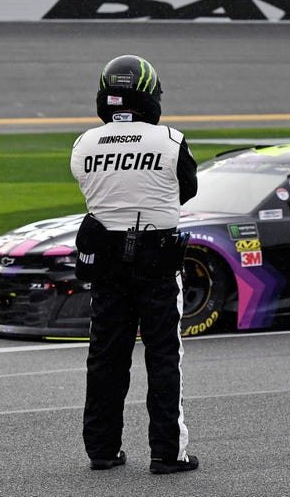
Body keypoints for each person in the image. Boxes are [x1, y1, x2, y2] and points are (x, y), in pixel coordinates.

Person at [69, 54, 199, 475]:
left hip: (106, 265)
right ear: (149, 94)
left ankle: (102, 451)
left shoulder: (84, 144)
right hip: (157, 263)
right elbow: (188, 190)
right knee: (163, 358)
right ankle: (167, 454)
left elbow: (89, 185)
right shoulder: (171, 140)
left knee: (105, 358)